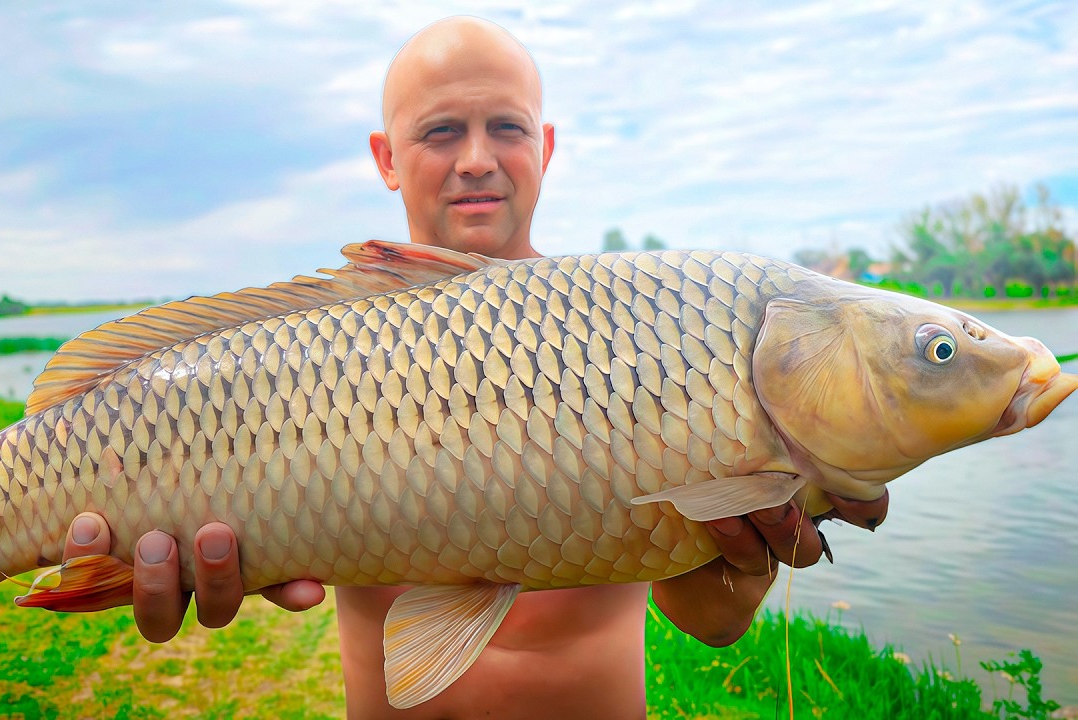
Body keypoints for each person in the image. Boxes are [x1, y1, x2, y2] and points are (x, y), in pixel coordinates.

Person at [62, 16, 890, 719]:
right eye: (440, 132)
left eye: (507, 128)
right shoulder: (324, 344)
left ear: (546, 147)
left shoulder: (638, 335)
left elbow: (710, 620)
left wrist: (759, 545)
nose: (475, 159)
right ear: (387, 157)